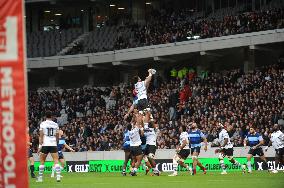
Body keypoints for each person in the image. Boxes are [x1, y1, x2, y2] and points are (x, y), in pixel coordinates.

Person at [37, 111, 61, 182]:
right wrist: (56, 142)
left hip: (45, 144)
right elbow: (57, 136)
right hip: (53, 144)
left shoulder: (42, 124)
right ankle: (58, 177)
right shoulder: (55, 124)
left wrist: (40, 146)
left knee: (42, 161)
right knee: (56, 160)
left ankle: (40, 178)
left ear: (45, 116)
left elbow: (41, 136)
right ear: (52, 116)